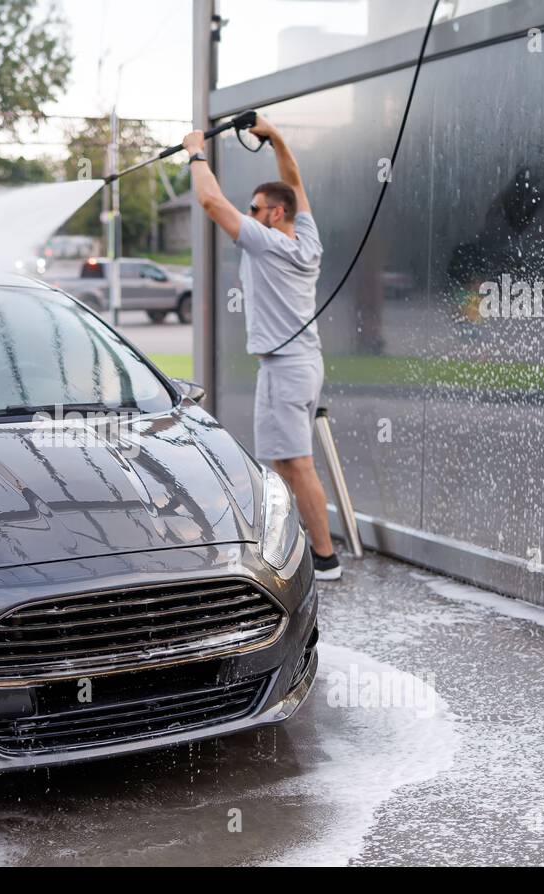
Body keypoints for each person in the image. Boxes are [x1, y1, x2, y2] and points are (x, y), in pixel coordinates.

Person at [183, 117, 340, 580]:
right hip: (303, 364)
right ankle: (308, 545)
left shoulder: (267, 243)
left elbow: (211, 201)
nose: (248, 214)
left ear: (274, 214)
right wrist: (275, 137)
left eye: (255, 207)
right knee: (287, 460)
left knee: (297, 462)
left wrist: (196, 152)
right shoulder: (306, 240)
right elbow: (294, 183)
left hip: (286, 369)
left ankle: (326, 559)